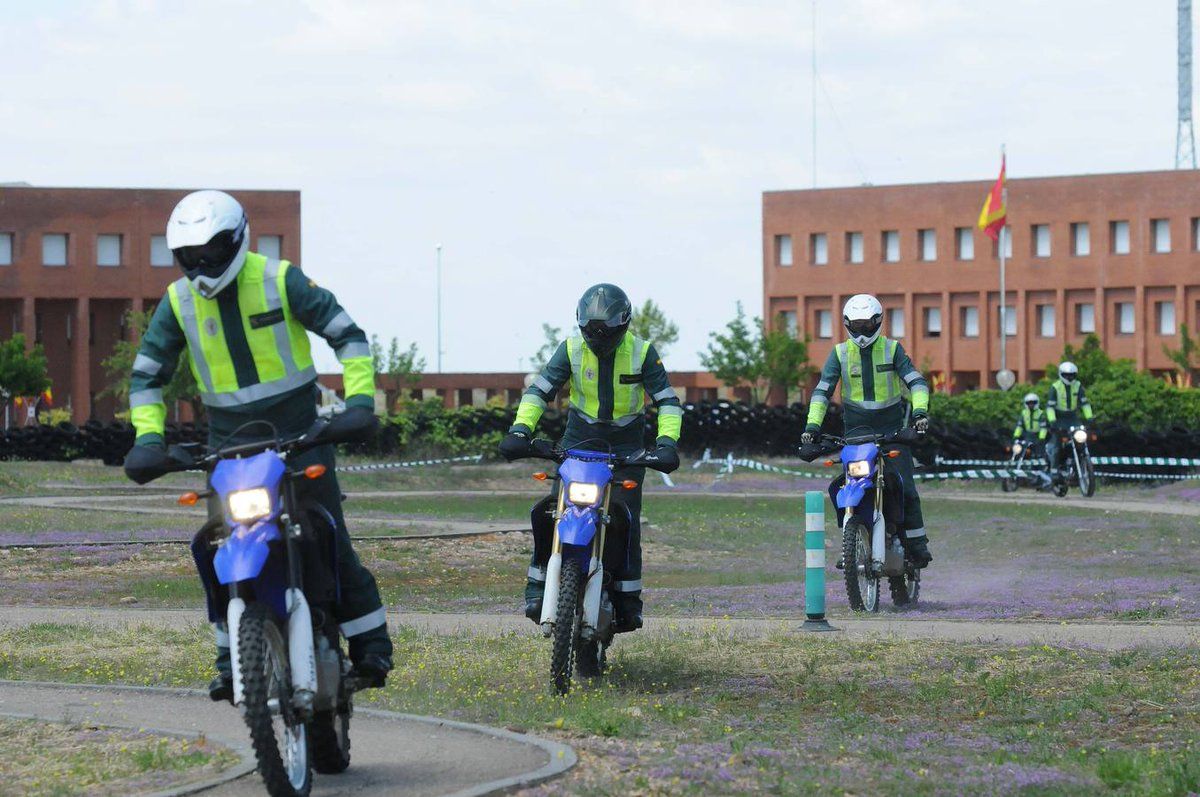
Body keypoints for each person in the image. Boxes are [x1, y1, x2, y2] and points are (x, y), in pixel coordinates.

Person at [122, 190, 392, 702]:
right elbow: (146, 377)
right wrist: (148, 440)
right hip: (227, 448)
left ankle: (371, 645)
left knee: (329, 535)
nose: (202, 264)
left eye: (211, 250)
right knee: (217, 544)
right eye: (190, 255)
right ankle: (231, 657)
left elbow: (348, 336)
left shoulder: (279, 278)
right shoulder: (177, 302)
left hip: (301, 436)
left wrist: (359, 403)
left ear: (237, 239)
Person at [498, 284, 683, 631]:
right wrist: (520, 430)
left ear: (623, 325)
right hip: (578, 441)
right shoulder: (570, 349)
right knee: (552, 511)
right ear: (581, 325)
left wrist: (667, 443)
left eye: (605, 331)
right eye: (591, 330)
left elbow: (667, 401)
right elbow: (539, 391)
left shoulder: (643, 352)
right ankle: (537, 587)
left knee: (626, 518)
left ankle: (628, 599)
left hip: (627, 448)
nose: (598, 338)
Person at [801, 294, 932, 567]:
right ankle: (851, 543)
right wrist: (811, 429)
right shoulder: (839, 353)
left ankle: (917, 544)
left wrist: (920, 414)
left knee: (906, 487)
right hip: (855, 434)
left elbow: (916, 382)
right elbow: (822, 392)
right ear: (847, 324)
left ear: (878, 322)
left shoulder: (892, 349)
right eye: (856, 325)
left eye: (867, 325)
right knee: (846, 485)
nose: (862, 331)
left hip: (892, 433)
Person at [1044, 361, 1094, 483]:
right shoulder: (1055, 387)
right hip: (1058, 418)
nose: (1069, 377)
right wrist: (1052, 421)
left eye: (1072, 375)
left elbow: (1084, 403)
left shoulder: (1078, 386)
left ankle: (1080, 464)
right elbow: (1050, 407)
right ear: (1061, 374)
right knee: (1057, 443)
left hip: (1072, 417)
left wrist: (1090, 417)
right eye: (1066, 375)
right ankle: (1054, 470)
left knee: (1081, 439)